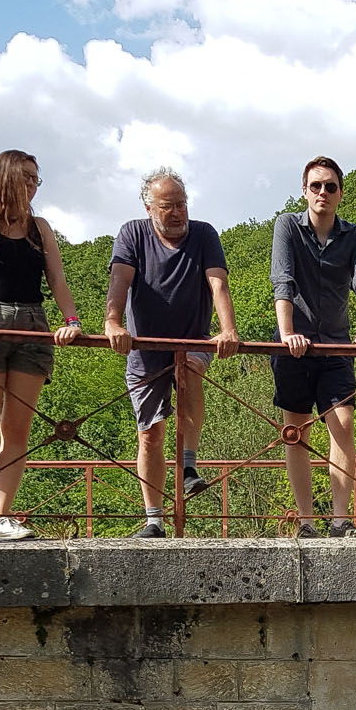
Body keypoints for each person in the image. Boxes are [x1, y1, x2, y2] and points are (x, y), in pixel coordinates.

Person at [0, 149, 83, 539]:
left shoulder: (39, 227)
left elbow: (56, 279)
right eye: (25, 176)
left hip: (31, 323)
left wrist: (72, 321)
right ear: (4, 176)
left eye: (36, 178)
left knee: (16, 428)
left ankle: (1, 517)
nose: (32, 184)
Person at [105, 168, 241, 538]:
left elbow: (218, 283)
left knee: (189, 369)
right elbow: (120, 280)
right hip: (145, 348)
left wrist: (228, 330)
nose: (178, 212)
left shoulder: (204, 233)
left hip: (192, 339)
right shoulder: (132, 233)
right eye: (168, 206)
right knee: (150, 434)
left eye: (182, 204)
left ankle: (187, 465)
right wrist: (113, 323)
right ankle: (154, 520)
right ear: (149, 208)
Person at [271, 155, 356, 538]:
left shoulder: (353, 236)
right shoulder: (287, 226)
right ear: (304, 191)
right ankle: (306, 522)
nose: (323, 192)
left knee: (343, 424)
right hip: (294, 348)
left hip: (335, 346)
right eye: (316, 186)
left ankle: (340, 520)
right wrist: (287, 333)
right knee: (296, 432)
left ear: (340, 194)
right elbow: (282, 281)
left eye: (330, 187)